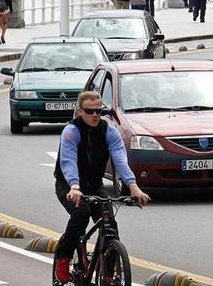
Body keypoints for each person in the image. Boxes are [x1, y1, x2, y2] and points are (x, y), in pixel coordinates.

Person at [52, 91, 150, 284]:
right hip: (69, 185)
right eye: (90, 111)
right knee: (81, 214)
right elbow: (68, 161)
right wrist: (74, 186)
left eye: (99, 110)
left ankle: (109, 271)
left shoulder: (109, 131)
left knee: (110, 224)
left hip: (94, 185)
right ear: (80, 111)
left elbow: (120, 160)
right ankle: (63, 258)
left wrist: (133, 186)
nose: (95, 115)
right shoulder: (71, 131)